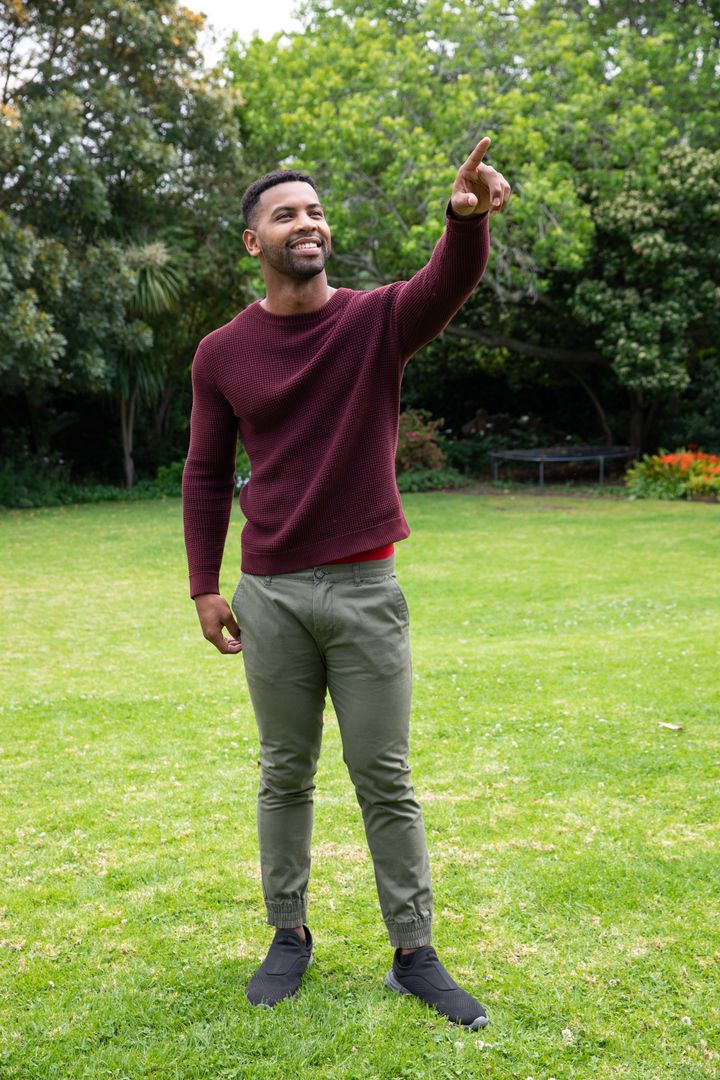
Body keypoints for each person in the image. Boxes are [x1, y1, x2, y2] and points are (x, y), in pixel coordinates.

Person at [182, 137, 510, 1028]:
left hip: (367, 592)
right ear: (253, 241)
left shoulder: (376, 322)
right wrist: (204, 586)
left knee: (385, 778)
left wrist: (464, 221)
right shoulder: (221, 353)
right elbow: (206, 473)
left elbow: (444, 283)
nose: (308, 222)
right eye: (286, 213)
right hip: (271, 596)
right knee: (284, 774)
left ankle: (414, 953)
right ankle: (288, 935)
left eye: (316, 211)